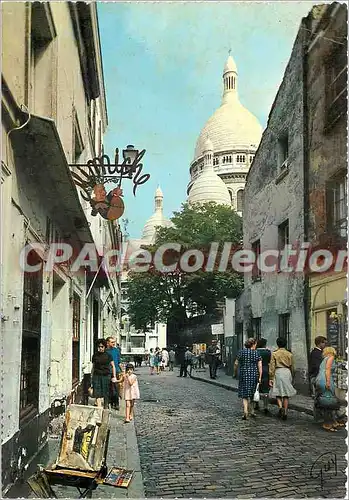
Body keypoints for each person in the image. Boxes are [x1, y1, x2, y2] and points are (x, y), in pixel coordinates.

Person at [314, 347, 344, 432]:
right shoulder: (331, 357)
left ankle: (333, 422)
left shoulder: (325, 359)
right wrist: (327, 382)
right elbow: (327, 370)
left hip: (320, 379)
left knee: (326, 400)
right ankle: (327, 423)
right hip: (325, 379)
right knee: (328, 401)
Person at [269, 337, 297, 420]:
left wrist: (271, 377)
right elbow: (293, 367)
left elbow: (272, 366)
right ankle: (285, 411)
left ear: (277, 344)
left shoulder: (274, 354)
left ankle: (280, 407)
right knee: (286, 393)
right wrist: (292, 375)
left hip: (278, 371)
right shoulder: (289, 354)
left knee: (278, 392)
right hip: (287, 371)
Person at [235, 338, 262, 420]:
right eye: (255, 344)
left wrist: (235, 372)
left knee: (244, 394)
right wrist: (260, 377)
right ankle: (252, 411)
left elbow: (236, 363)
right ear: (253, 344)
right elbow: (259, 366)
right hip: (254, 374)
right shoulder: (256, 353)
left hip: (243, 374)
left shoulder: (241, 352)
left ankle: (245, 411)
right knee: (253, 393)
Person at [91, 339, 117, 409]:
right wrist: (91, 377)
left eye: (102, 346)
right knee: (97, 393)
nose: (100, 348)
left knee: (106, 393)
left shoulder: (108, 355)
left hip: (106, 376)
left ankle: (105, 408)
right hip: (97, 376)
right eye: (99, 346)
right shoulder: (95, 356)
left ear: (105, 347)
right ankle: (99, 409)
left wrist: (114, 376)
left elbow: (113, 366)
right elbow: (93, 367)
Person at [256, 338, 272, 414]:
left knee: (256, 388)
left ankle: (256, 404)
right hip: (265, 370)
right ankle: (265, 406)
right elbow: (270, 362)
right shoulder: (268, 352)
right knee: (266, 389)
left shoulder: (255, 352)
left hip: (256, 371)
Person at [106, 336, 121, 410]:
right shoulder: (105, 351)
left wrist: (122, 372)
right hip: (108, 372)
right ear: (108, 343)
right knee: (109, 388)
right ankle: (111, 402)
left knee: (116, 388)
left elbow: (119, 361)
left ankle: (116, 403)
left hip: (116, 371)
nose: (114, 343)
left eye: (114, 342)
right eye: (112, 342)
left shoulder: (116, 350)